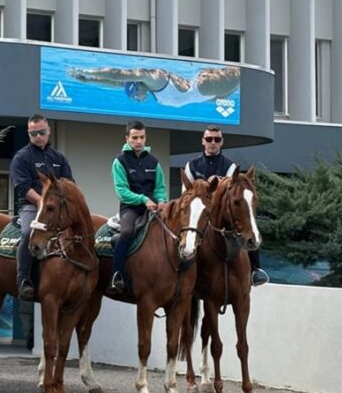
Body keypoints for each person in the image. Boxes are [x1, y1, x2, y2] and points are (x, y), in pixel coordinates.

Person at [183, 125, 269, 286]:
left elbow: (231, 194)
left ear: (222, 142)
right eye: (209, 139)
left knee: (248, 225)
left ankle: (256, 270)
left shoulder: (230, 167)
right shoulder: (191, 166)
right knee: (182, 235)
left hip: (221, 214)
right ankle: (179, 271)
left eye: (217, 139)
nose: (213, 143)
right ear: (203, 141)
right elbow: (185, 195)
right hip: (198, 215)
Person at [10, 114, 75, 301]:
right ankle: (23, 280)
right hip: (32, 207)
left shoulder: (59, 158)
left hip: (58, 209)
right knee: (27, 234)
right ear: (29, 134)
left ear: (48, 131)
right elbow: (22, 187)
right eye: (34, 133)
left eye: (41, 132)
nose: (38, 136)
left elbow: (69, 183)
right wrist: (41, 202)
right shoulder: (21, 157)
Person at [108, 120, 167, 294]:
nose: (139, 141)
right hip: (131, 209)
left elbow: (160, 188)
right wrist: (143, 200)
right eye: (134, 137)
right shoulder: (120, 161)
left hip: (154, 208)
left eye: (141, 137)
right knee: (126, 233)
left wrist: (162, 200)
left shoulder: (154, 162)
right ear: (127, 138)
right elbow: (122, 191)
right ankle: (115, 275)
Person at [68, 66, 240, 107]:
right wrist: (89, 81)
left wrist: (88, 71)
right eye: (134, 98)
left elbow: (117, 74)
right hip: (206, 97)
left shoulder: (154, 79)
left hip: (203, 86)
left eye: (135, 94)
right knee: (241, 85)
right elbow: (114, 84)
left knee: (243, 75)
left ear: (137, 86)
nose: (137, 98)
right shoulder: (149, 89)